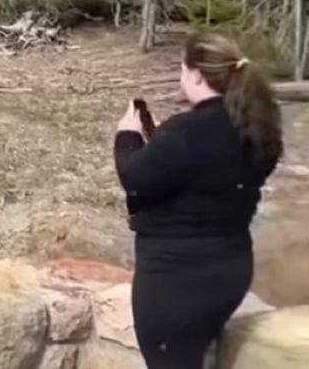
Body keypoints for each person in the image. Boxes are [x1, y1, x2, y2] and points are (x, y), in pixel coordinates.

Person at [113, 32, 284, 369]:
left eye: (181, 70)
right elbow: (204, 172)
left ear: (195, 75)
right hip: (230, 269)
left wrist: (127, 136)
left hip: (177, 280)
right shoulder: (255, 127)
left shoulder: (186, 132)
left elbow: (135, 180)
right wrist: (165, 142)